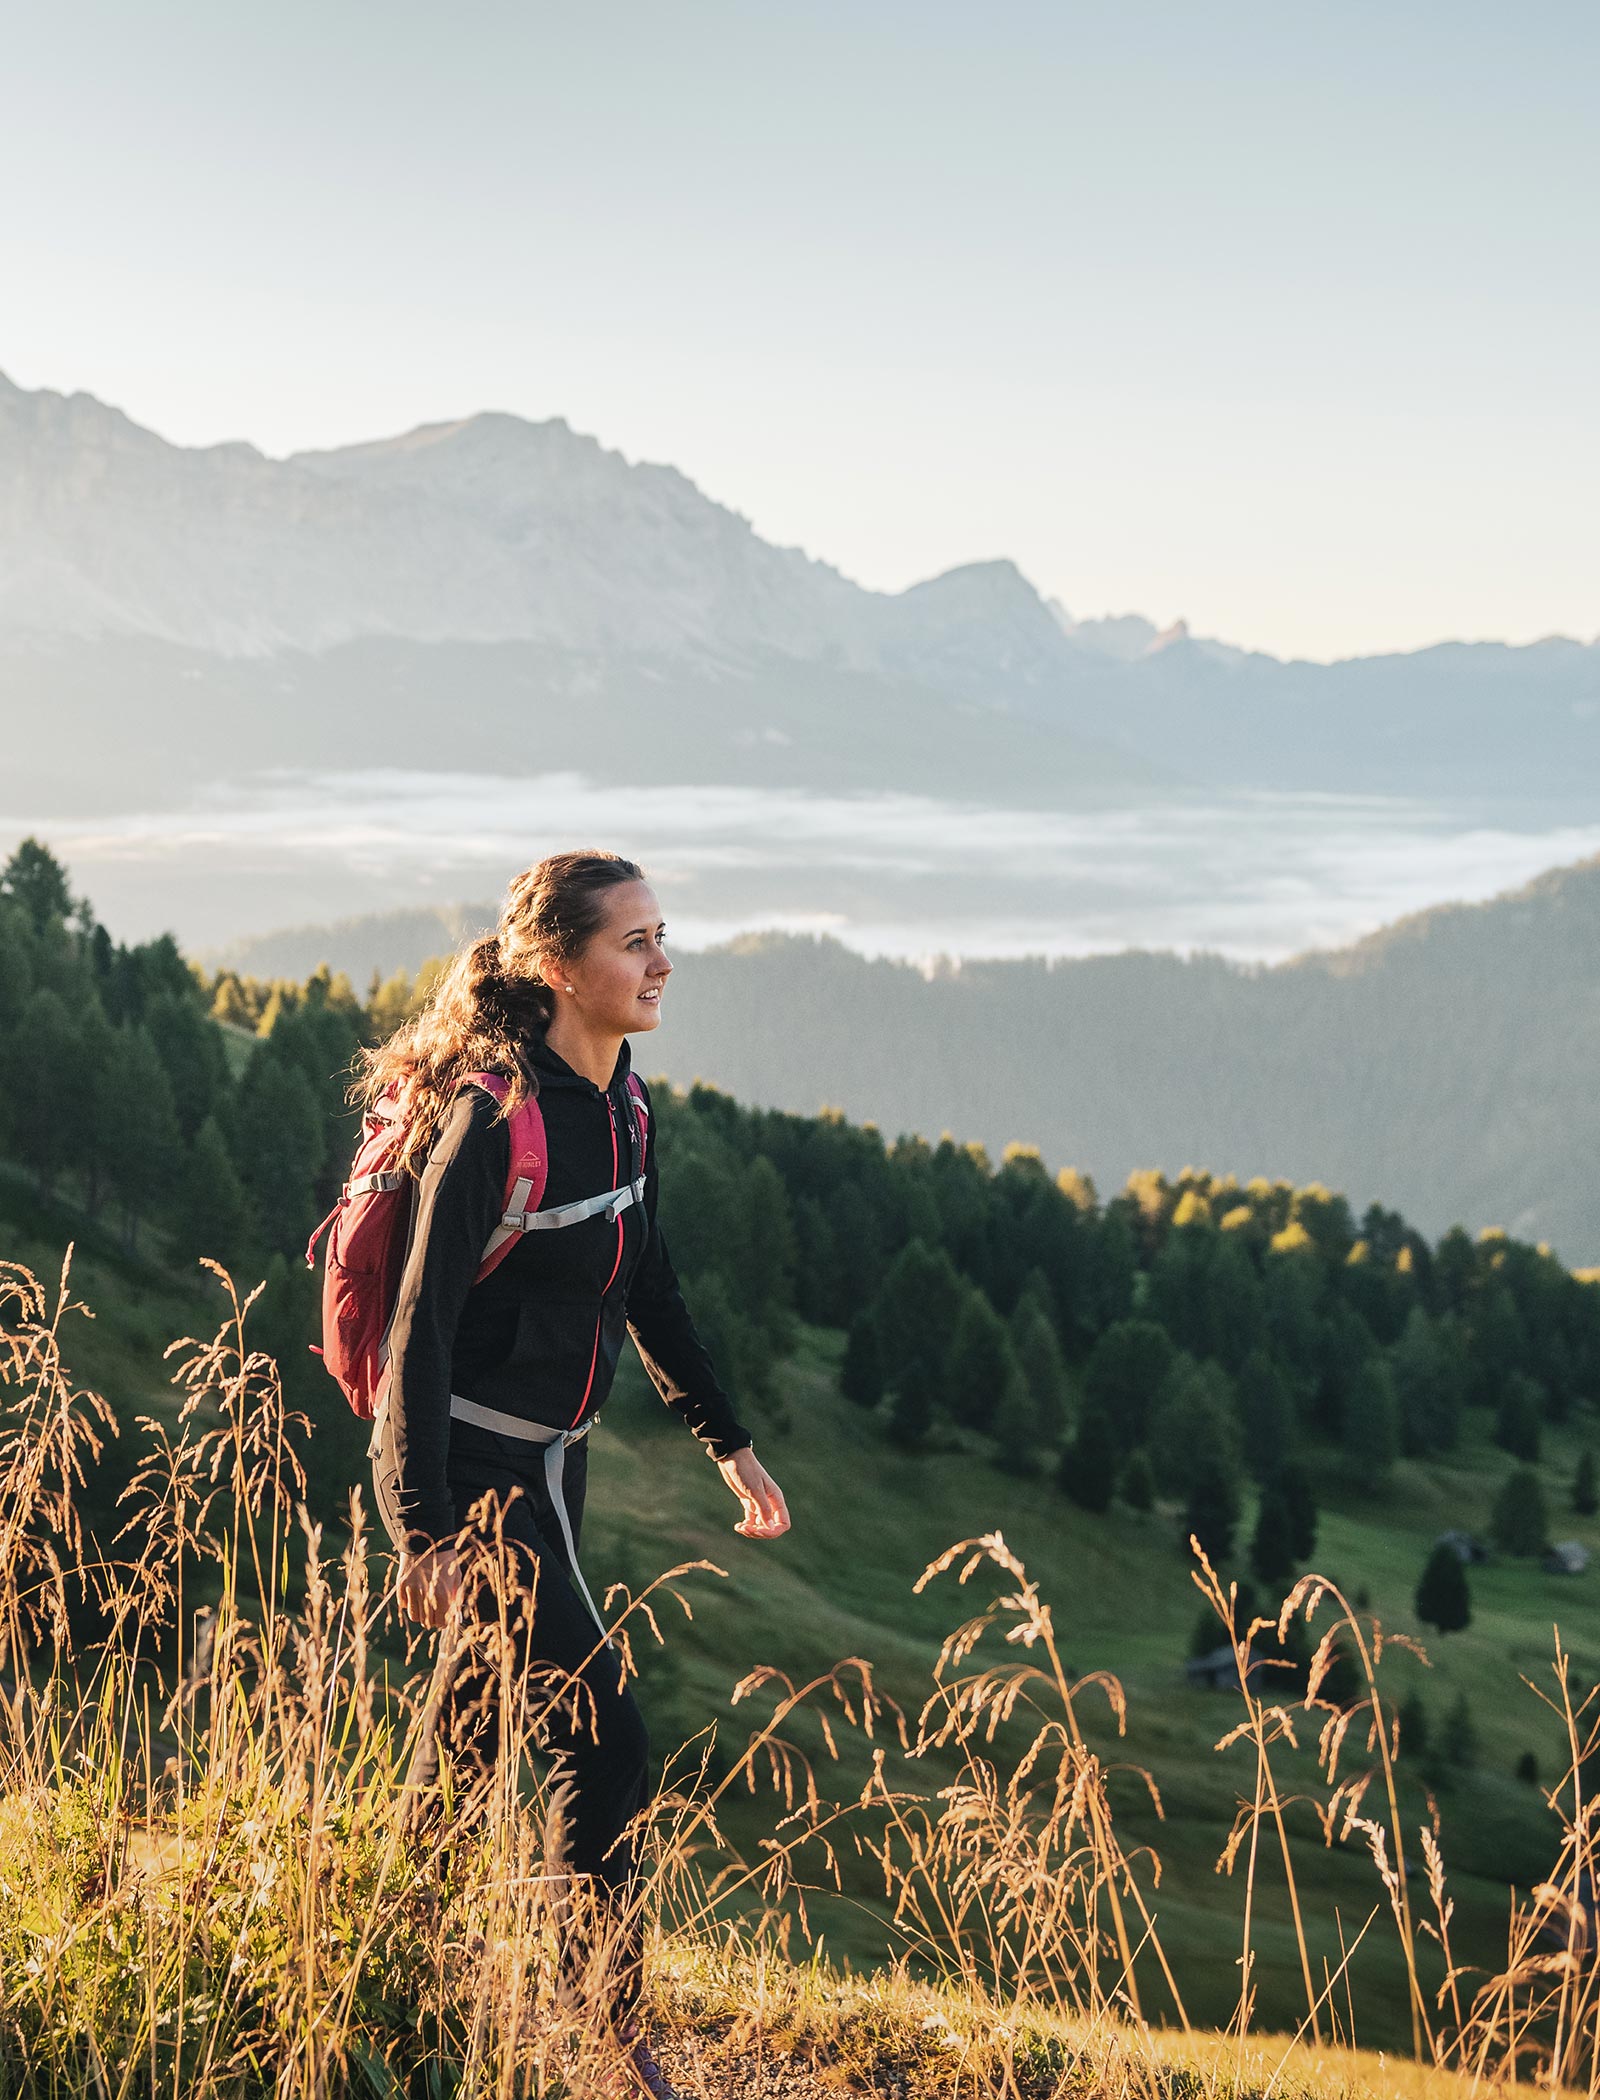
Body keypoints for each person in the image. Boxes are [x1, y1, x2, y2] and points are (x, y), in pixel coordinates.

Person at [361, 848, 790, 2098]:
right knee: (602, 1744)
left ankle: (396, 1959)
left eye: (664, 936)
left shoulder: (626, 1106)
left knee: (476, 1724)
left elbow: (646, 1281)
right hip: (479, 1467)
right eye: (634, 943)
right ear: (558, 966)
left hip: (554, 1465)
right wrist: (421, 1529)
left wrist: (728, 1439)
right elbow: (416, 1337)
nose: (662, 962)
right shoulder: (495, 1121)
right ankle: (606, 2031)